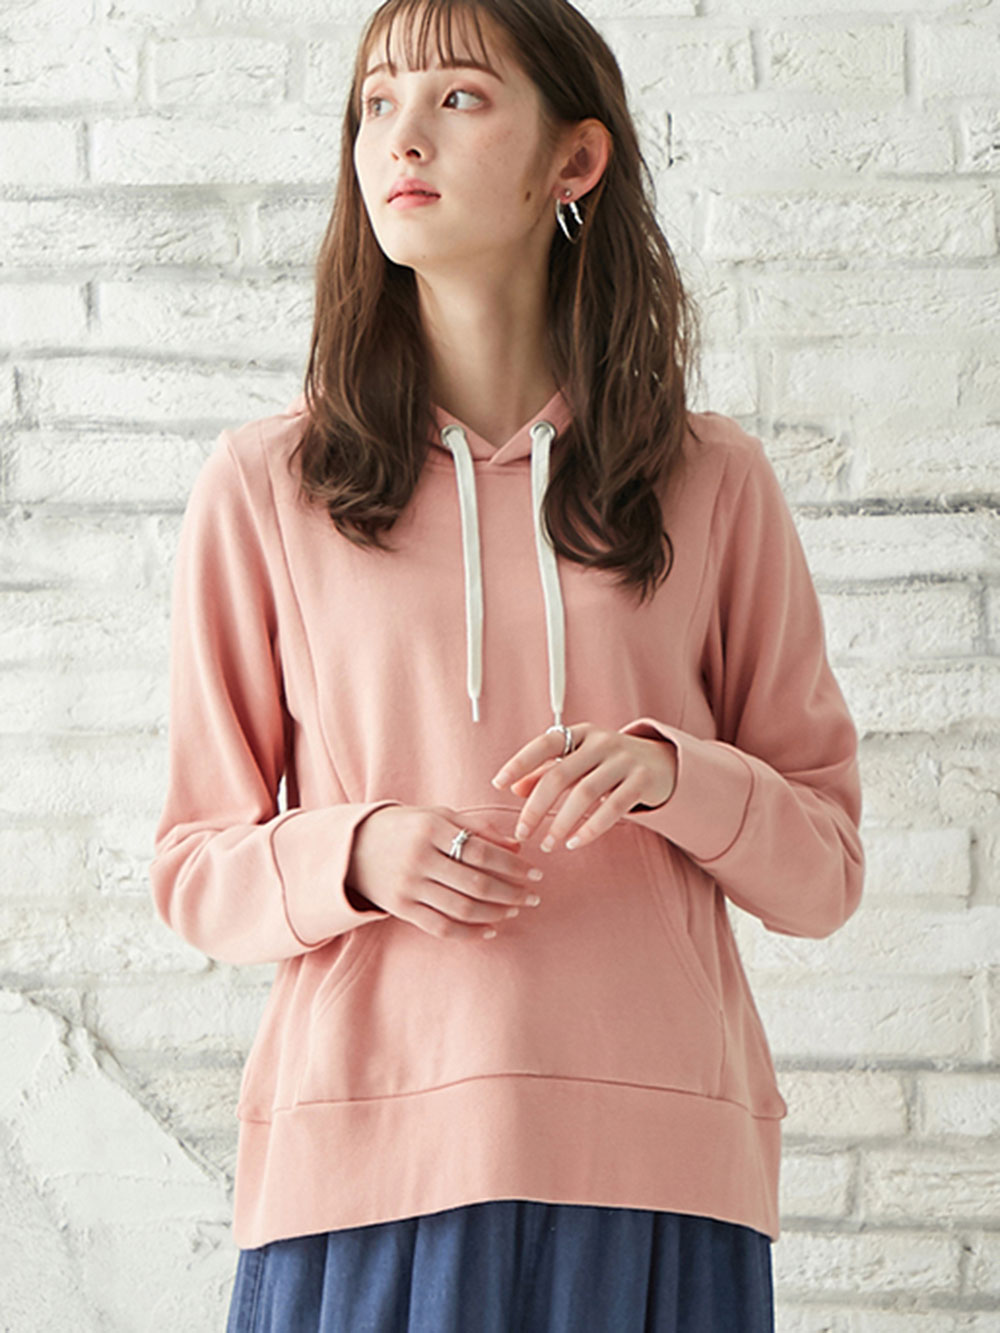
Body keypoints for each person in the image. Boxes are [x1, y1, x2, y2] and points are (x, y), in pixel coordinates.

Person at [149, 0, 865, 1327]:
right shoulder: (267, 485)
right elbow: (195, 866)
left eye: (460, 99)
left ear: (573, 161)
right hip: (363, 1158)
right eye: (377, 103)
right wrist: (359, 850)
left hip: (657, 1159)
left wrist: (673, 775)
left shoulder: (712, 480)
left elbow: (824, 871)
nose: (401, 137)